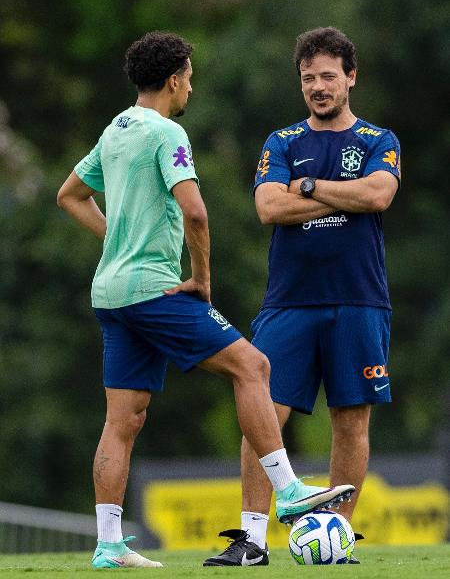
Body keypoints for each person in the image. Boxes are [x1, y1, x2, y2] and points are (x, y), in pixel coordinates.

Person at [56, 31, 354, 569]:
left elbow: (69, 195)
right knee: (253, 365)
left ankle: (108, 545)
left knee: (123, 419)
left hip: (111, 292)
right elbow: (195, 211)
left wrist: (117, 242)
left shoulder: (117, 127)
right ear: (174, 80)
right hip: (154, 289)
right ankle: (288, 491)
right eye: (189, 78)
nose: (190, 87)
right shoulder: (167, 132)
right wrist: (202, 279)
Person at [204, 26, 400, 566]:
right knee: (263, 413)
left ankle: (338, 538)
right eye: (308, 77)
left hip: (360, 299)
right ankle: (252, 539)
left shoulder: (379, 140)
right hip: (289, 301)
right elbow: (268, 208)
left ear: (350, 78)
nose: (318, 86)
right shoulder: (282, 141)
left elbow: (379, 194)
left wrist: (308, 188)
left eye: (328, 76)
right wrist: (347, 199)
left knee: (351, 419)